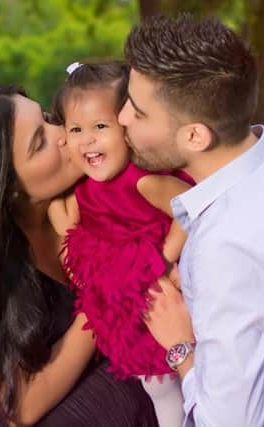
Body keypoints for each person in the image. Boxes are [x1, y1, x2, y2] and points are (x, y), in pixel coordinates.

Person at [119, 14, 264, 427]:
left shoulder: (226, 247)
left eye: (138, 113)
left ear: (195, 136)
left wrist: (180, 347)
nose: (122, 117)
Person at [0, 84, 159, 427]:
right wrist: (103, 299)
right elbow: (21, 408)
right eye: (40, 141)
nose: (64, 134)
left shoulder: (107, 189)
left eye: (46, 118)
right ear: (7, 188)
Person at [48, 61, 193, 426]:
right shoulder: (80, 185)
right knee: (154, 383)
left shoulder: (140, 180)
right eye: (76, 129)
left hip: (162, 287)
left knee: (173, 377)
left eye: (100, 127)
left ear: (127, 128)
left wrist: (163, 261)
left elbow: (190, 207)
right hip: (124, 295)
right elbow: (68, 234)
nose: (89, 140)